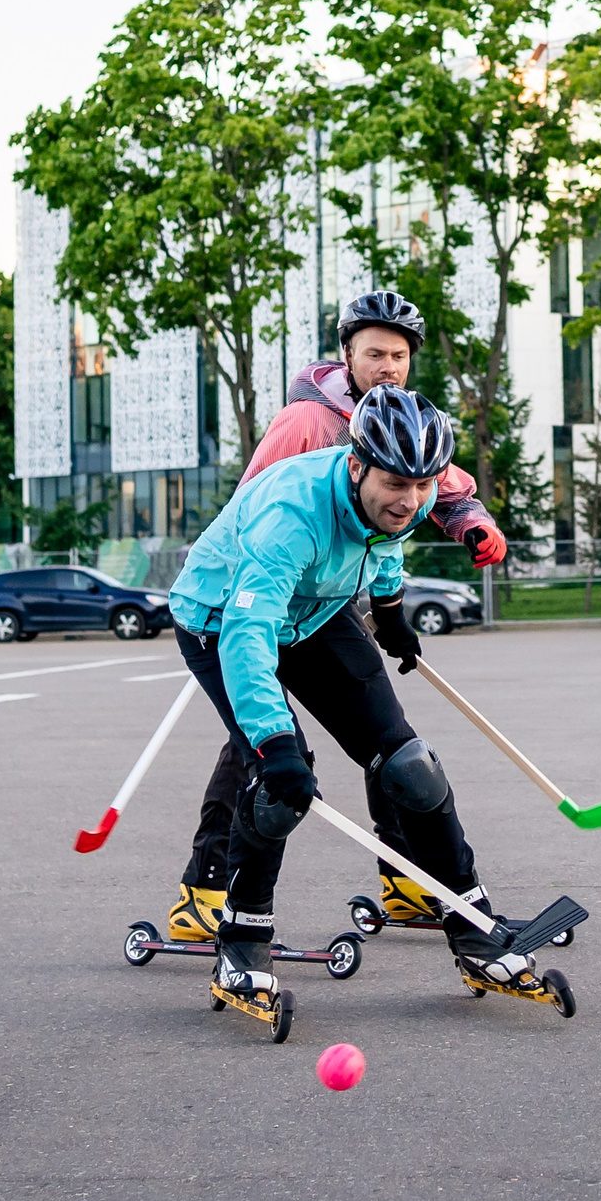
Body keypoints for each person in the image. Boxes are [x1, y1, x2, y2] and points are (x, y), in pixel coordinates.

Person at [165, 385, 545, 1005]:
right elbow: (249, 633)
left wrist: (390, 610)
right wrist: (273, 741)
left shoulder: (403, 499)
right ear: (356, 464)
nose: (411, 500)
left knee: (410, 768)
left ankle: (475, 929)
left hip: (315, 612)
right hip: (220, 619)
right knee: (280, 782)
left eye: (423, 485)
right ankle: (241, 944)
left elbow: (387, 540)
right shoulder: (290, 516)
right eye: (396, 483)